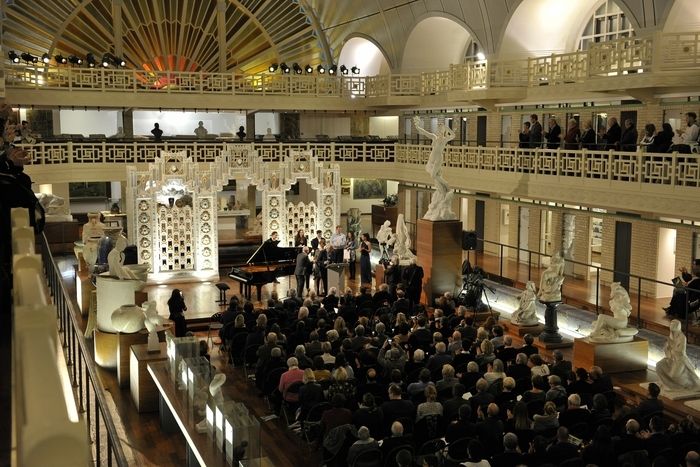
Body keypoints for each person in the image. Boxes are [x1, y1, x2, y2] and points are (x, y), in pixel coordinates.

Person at [656, 319, 700, 390]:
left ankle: (687, 383)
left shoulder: (682, 338)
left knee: (673, 375)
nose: (671, 326)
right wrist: (667, 348)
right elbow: (667, 347)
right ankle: (668, 385)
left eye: (673, 325)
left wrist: (671, 348)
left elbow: (681, 352)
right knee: (659, 365)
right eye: (671, 324)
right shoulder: (671, 336)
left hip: (680, 360)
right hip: (671, 358)